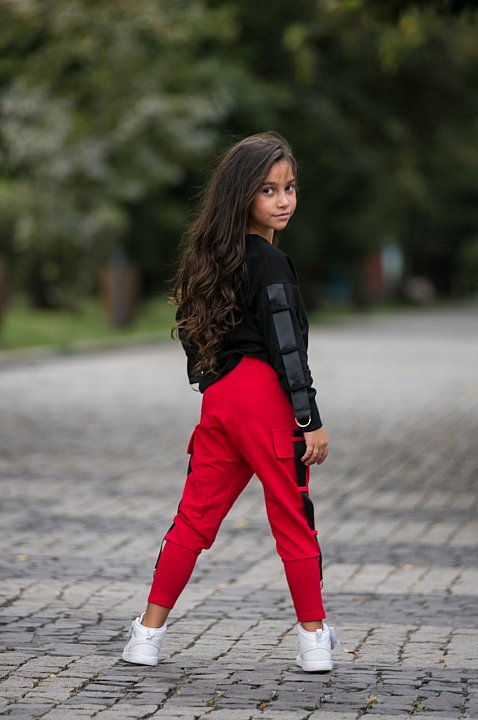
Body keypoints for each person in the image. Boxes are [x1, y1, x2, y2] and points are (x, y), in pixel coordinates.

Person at [122, 132, 338, 672]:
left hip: (220, 401)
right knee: (292, 515)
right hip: (266, 400)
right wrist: (308, 417)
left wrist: (212, 385)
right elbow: (286, 346)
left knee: (193, 519)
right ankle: (314, 640)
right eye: (269, 190)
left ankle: (146, 635)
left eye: (290, 188)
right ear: (243, 195)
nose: (284, 200)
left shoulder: (212, 258)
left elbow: (192, 335)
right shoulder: (270, 263)